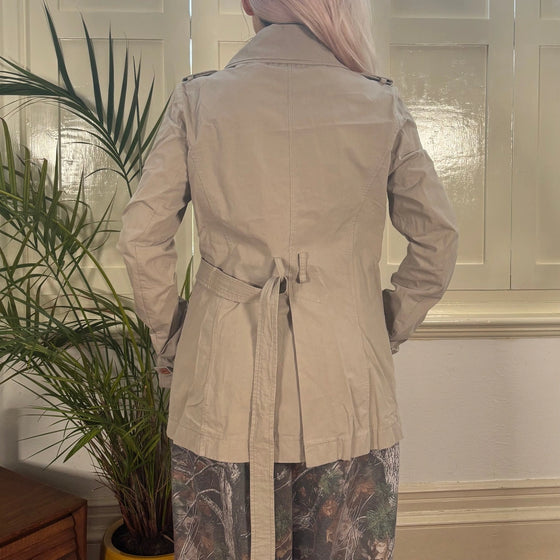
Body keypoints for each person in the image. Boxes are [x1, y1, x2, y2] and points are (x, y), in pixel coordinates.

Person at [117, 0, 459, 558]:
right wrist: (379, 329)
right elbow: (437, 241)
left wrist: (175, 341)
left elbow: (141, 238)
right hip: (347, 382)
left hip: (220, 381)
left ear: (248, 3)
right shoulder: (379, 104)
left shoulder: (199, 101)